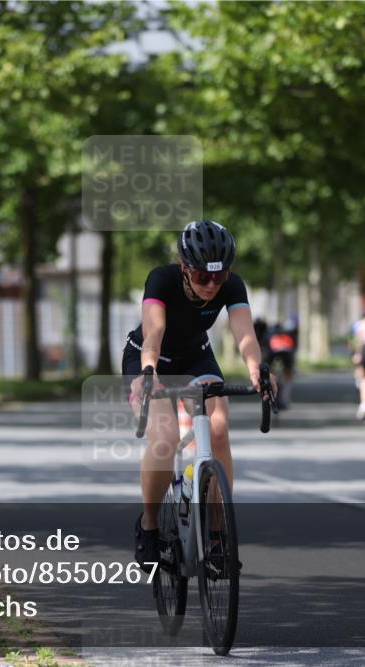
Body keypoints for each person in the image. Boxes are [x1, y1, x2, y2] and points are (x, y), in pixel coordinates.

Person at [123, 220, 263, 573]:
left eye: (220, 276)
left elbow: (244, 333)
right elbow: (153, 331)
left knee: (217, 428)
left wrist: (256, 369)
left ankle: (217, 534)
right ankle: (149, 524)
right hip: (150, 359)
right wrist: (149, 371)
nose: (212, 286)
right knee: (166, 437)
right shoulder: (161, 279)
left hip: (197, 357)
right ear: (184, 268)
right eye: (203, 277)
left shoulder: (230, 285)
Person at [264, 320, 296, 409]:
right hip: (286, 354)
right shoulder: (289, 336)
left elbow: (266, 351)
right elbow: (293, 350)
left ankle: (269, 396)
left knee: (267, 372)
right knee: (288, 374)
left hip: (273, 354)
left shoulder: (270, 336)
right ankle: (285, 398)